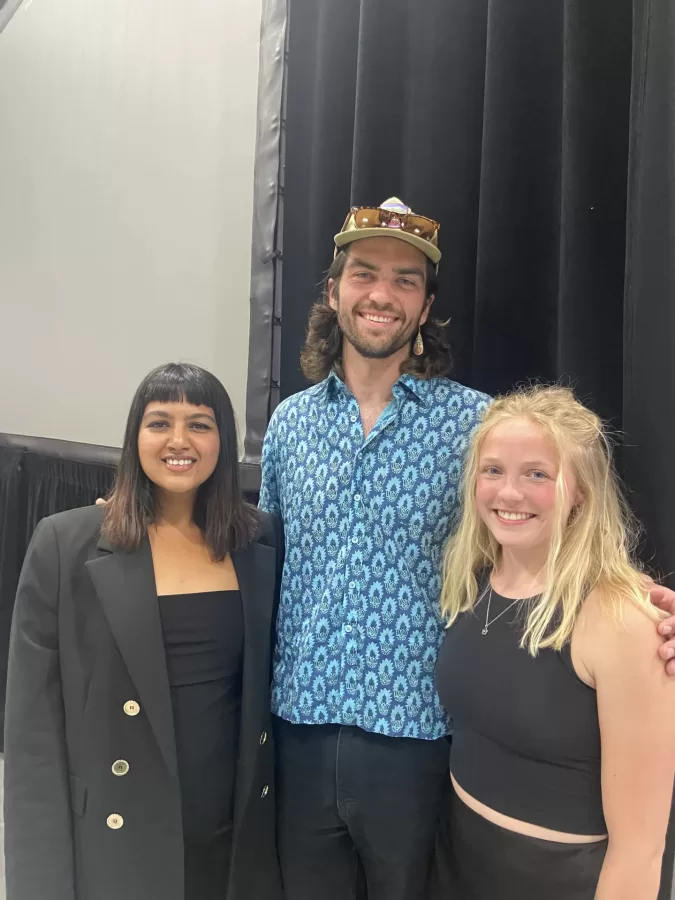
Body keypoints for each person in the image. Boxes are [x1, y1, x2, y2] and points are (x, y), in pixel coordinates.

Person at [258, 197, 675, 900]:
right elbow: (259, 558)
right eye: (364, 274)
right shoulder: (287, 426)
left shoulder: (475, 424)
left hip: (420, 743)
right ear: (333, 293)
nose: (381, 295)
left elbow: (552, 522)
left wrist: (642, 609)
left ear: (424, 309)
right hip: (298, 729)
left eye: (405, 281)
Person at [4, 363, 284, 900]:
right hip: (118, 845)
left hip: (232, 847)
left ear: (224, 440)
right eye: (160, 423)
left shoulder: (259, 541)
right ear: (135, 437)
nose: (179, 440)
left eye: (200, 424)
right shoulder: (66, 544)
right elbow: (32, 740)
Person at [433, 386, 675, 899]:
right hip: (457, 862)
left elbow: (640, 852)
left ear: (581, 491)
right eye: (493, 470)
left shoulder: (621, 618)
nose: (509, 493)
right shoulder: (475, 580)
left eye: (536, 474)